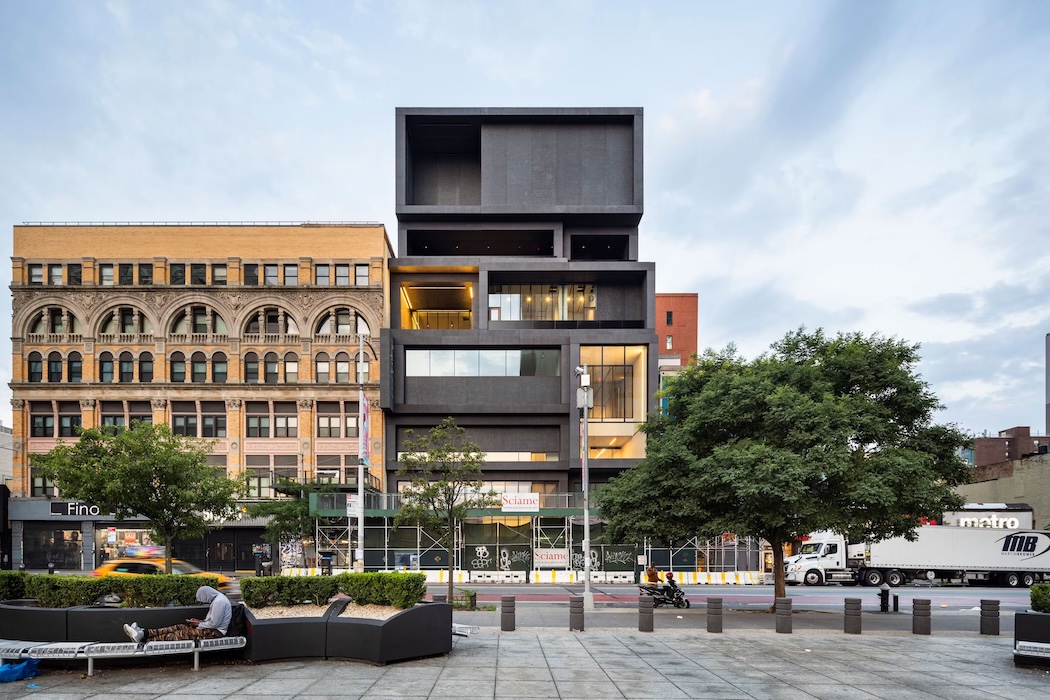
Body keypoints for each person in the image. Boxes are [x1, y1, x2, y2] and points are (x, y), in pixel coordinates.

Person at [124, 585, 231, 644]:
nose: (204, 601)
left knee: (179, 633)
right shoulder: (218, 600)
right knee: (178, 627)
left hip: (214, 633)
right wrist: (198, 622)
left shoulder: (219, 602)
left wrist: (198, 624)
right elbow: (212, 622)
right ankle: (144, 633)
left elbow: (214, 624)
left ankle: (144, 639)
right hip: (210, 630)